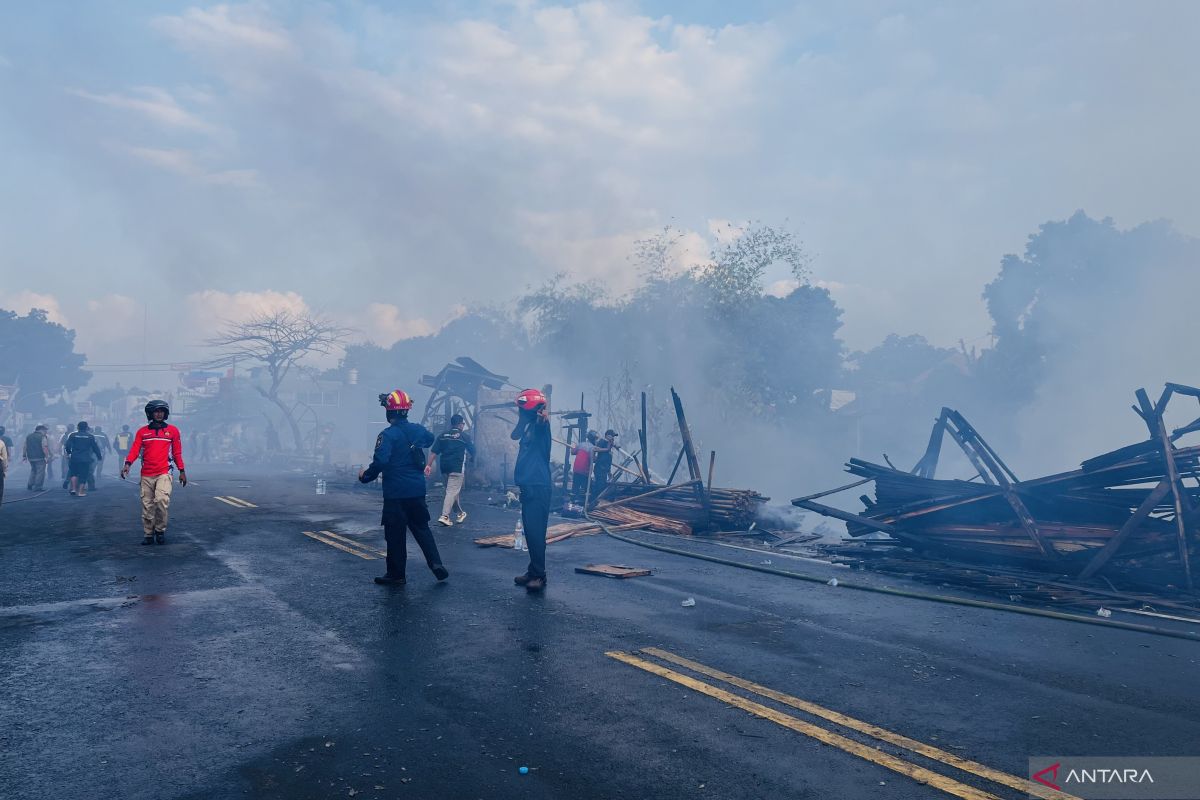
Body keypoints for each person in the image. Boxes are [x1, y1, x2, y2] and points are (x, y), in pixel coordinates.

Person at [359, 390, 448, 586]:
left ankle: (396, 574)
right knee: (422, 528)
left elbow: (381, 461)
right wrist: (416, 445)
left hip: (396, 494)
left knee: (395, 534)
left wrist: (366, 476)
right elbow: (430, 438)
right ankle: (436, 563)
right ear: (406, 411)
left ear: (389, 412)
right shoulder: (417, 430)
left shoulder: (387, 435)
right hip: (417, 491)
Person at [120, 400, 187, 545]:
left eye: (162, 411)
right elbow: (135, 450)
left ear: (166, 413)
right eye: (156, 411)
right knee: (147, 505)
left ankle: (160, 530)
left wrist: (182, 470)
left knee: (162, 500)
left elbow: (177, 452)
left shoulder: (173, 431)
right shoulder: (142, 432)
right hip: (146, 474)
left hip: (164, 472)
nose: (159, 414)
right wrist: (127, 464)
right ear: (150, 414)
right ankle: (148, 533)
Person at [511, 388, 552, 593]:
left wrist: (541, 417)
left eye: (520, 408)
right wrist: (524, 415)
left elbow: (542, 424)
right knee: (530, 530)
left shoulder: (539, 426)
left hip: (538, 486)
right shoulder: (527, 427)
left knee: (536, 532)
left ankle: (539, 575)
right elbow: (513, 435)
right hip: (529, 486)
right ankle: (533, 570)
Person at [426, 413, 475, 527]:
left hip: (444, 468)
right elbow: (473, 451)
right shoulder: (464, 436)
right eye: (463, 423)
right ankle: (445, 516)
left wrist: (428, 465)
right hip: (457, 468)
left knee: (451, 491)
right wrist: (472, 459)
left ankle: (460, 513)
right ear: (461, 425)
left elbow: (434, 452)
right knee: (452, 491)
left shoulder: (442, 435)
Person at [64, 421, 103, 497]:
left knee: (74, 473)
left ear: (77, 427)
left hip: (74, 458)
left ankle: (74, 489)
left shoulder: (72, 435)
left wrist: (69, 453)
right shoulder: (90, 436)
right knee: (83, 475)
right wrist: (99, 456)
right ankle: (81, 492)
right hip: (85, 458)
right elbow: (95, 447)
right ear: (86, 428)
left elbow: (67, 445)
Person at [570, 430, 597, 507]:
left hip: (576, 469)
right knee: (588, 488)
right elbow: (592, 458)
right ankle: (587, 505)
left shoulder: (581, 444)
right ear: (593, 439)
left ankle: (572, 503)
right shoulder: (592, 447)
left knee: (575, 487)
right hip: (584, 471)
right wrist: (599, 458)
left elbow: (573, 452)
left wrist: (574, 446)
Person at [591, 429, 618, 502]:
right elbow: (595, 449)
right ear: (607, 436)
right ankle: (595, 502)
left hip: (604, 470)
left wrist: (609, 472)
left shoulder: (609, 445)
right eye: (611, 436)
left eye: (613, 436)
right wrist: (594, 458)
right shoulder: (602, 441)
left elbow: (608, 461)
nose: (613, 438)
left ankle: (598, 501)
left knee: (602, 486)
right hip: (600, 469)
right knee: (600, 486)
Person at [22, 424, 51, 491]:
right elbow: (44, 447)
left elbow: (24, 446)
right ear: (41, 430)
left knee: (33, 470)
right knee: (40, 472)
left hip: (31, 457)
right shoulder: (42, 437)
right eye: (45, 430)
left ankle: (30, 484)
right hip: (40, 457)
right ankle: (38, 486)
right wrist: (47, 457)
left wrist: (24, 455)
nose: (46, 432)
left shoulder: (29, 436)